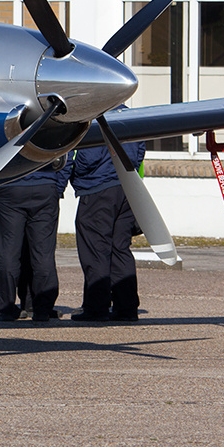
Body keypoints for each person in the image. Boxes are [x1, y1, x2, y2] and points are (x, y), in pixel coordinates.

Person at [68, 134, 149, 323]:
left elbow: (88, 158)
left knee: (95, 250)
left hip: (98, 188)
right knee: (120, 248)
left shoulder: (98, 116)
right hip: (127, 188)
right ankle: (126, 307)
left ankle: (97, 307)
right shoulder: (132, 118)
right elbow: (139, 153)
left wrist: (76, 175)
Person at [0, 155, 69, 323]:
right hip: (45, 186)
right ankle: (42, 308)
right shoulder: (51, 128)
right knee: (43, 253)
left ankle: (6, 308)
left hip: (9, 186)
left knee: (7, 252)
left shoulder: (2, 127)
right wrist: (56, 185)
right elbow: (68, 155)